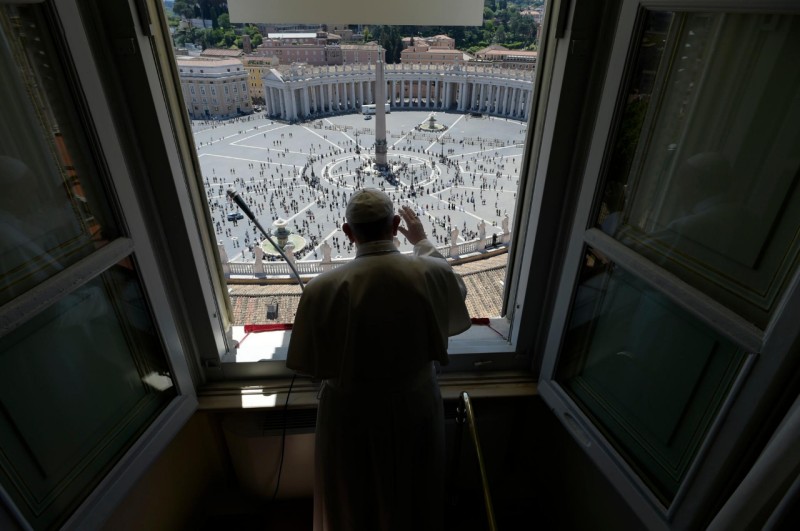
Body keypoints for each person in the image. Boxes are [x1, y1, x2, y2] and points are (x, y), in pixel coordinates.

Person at [287, 188, 471, 531]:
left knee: (353, 497)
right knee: (415, 492)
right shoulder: (430, 272)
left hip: (349, 414)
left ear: (347, 232)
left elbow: (311, 363)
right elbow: (456, 295)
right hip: (415, 405)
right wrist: (423, 242)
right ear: (396, 225)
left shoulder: (320, 288)